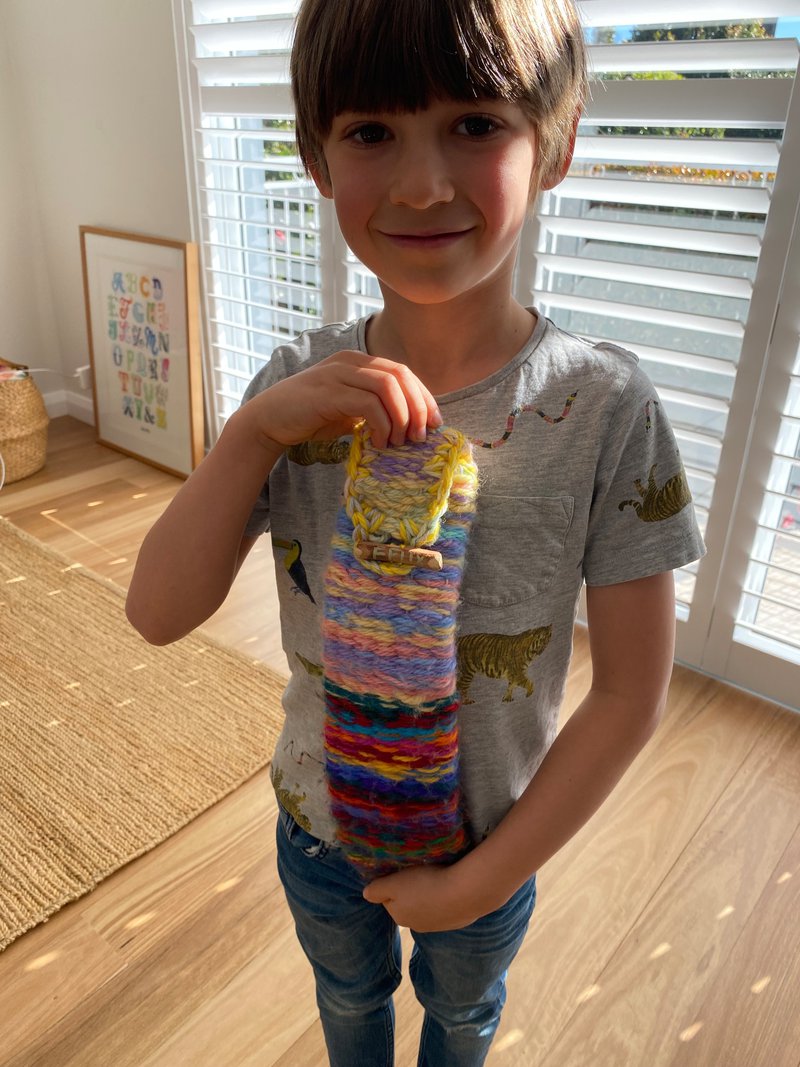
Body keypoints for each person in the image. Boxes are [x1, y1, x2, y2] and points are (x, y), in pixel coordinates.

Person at [126, 0, 705, 1063]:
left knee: (463, 1014)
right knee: (348, 1003)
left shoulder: (605, 410)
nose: (424, 183)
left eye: (475, 124)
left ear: (556, 144)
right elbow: (157, 611)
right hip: (318, 829)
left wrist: (484, 878)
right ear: (315, 158)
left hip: (491, 846)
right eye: (370, 131)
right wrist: (253, 434)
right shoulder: (290, 391)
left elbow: (631, 692)